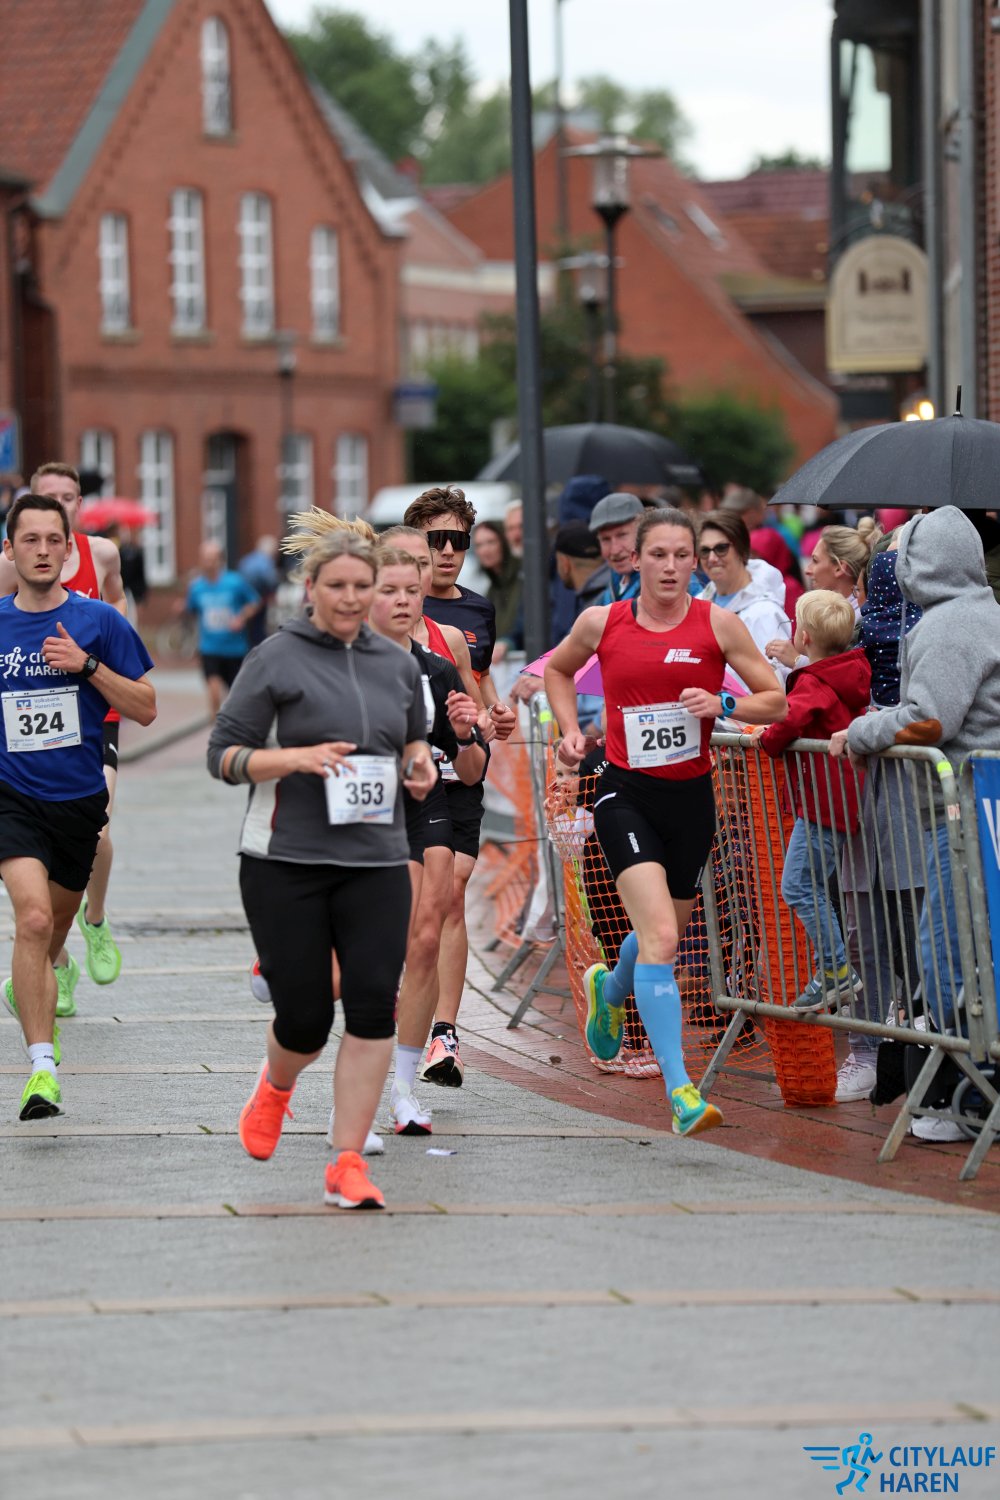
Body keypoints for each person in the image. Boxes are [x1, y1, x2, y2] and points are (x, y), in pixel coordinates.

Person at [207, 529, 437, 1209]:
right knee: (306, 1018)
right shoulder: (274, 658)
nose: (351, 597)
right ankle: (275, 1088)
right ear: (310, 588)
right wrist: (293, 760)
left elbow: (411, 741)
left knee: (372, 1005)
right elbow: (223, 756)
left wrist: (419, 767)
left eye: (362, 586)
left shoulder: (396, 664)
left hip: (376, 860)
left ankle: (347, 1163)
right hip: (286, 861)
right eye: (337, 585)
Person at [544, 507, 786, 1135]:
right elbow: (558, 670)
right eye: (659, 554)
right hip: (623, 795)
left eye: (683, 555)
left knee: (662, 936)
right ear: (638, 558)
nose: (672, 566)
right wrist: (569, 730)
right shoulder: (603, 621)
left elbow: (776, 699)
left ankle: (611, 988)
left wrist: (723, 701)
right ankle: (682, 1091)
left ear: (696, 561)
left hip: (691, 800)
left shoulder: (719, 623)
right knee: (660, 938)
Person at [832, 507, 1000, 1135]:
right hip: (978, 808)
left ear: (920, 565)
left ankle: (968, 1098)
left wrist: (863, 730)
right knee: (969, 951)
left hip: (962, 812)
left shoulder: (949, 625)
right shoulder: (984, 613)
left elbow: (929, 720)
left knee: (949, 955)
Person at [0, 493, 155, 1119]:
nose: (42, 551)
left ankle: (28, 985)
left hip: (78, 801)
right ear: (9, 550)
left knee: (52, 932)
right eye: (28, 540)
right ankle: (42, 1069)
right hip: (10, 796)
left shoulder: (99, 621)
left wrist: (87, 665)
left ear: (69, 549)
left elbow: (145, 707)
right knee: (34, 920)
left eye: (52, 540)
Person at [0, 463, 133, 1016]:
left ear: (78, 507)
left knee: (98, 828)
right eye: (50, 497)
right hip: (20, 744)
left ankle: (93, 920)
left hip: (93, 713)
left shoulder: (101, 555)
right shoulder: (11, 568)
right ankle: (48, 975)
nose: (43, 547)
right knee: (34, 915)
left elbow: (119, 608)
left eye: (69, 498)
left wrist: (95, 657)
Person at [367, 544, 488, 1133]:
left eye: (411, 592)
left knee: (422, 941)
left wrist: (464, 735)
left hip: (423, 809)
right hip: (358, 814)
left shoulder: (436, 670)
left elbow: (472, 771)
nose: (402, 601)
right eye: (388, 590)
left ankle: (402, 1090)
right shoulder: (335, 661)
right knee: (368, 949)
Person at [402, 487, 516, 1089]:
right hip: (405, 772)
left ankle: (443, 1034)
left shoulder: (471, 616)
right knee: (415, 903)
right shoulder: (383, 609)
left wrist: (492, 716)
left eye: (458, 541)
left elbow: (476, 684)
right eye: (436, 540)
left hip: (458, 764)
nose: (447, 552)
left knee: (450, 892)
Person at [758, 590, 870, 1010]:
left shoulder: (816, 679)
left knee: (799, 885)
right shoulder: (848, 669)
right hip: (834, 796)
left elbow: (788, 720)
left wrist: (767, 740)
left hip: (825, 800)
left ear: (803, 637)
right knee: (809, 884)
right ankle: (834, 969)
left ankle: (836, 970)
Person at [696, 510, 792, 692]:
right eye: (704, 551)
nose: (712, 558)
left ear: (741, 549)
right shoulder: (696, 604)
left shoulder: (765, 612)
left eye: (721, 548)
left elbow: (777, 685)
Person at [766, 524, 874, 674]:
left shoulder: (859, 619)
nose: (807, 570)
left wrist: (797, 661)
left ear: (839, 568)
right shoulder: (850, 611)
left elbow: (844, 675)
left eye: (815, 561)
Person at [182, 540, 261, 719]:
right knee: (214, 691)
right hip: (210, 649)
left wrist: (241, 618)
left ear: (220, 560)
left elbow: (254, 602)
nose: (208, 563)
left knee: (237, 697)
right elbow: (192, 610)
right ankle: (216, 725)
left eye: (211, 559)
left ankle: (236, 725)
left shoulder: (235, 582)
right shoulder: (196, 587)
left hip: (234, 649)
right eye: (205, 558)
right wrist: (182, 609)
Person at [472, 520, 522, 661]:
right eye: (479, 545)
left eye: (491, 542)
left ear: (504, 542)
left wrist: (508, 643)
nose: (485, 550)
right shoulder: (492, 589)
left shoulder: (524, 576)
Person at [588, 492, 644, 605]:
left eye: (622, 535)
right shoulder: (605, 597)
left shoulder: (664, 591)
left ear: (644, 533)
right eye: (605, 539)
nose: (615, 550)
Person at [238, 535, 281, 648]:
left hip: (243, 599)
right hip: (259, 599)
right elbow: (271, 580)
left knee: (247, 627)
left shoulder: (247, 559)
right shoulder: (266, 562)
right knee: (258, 628)